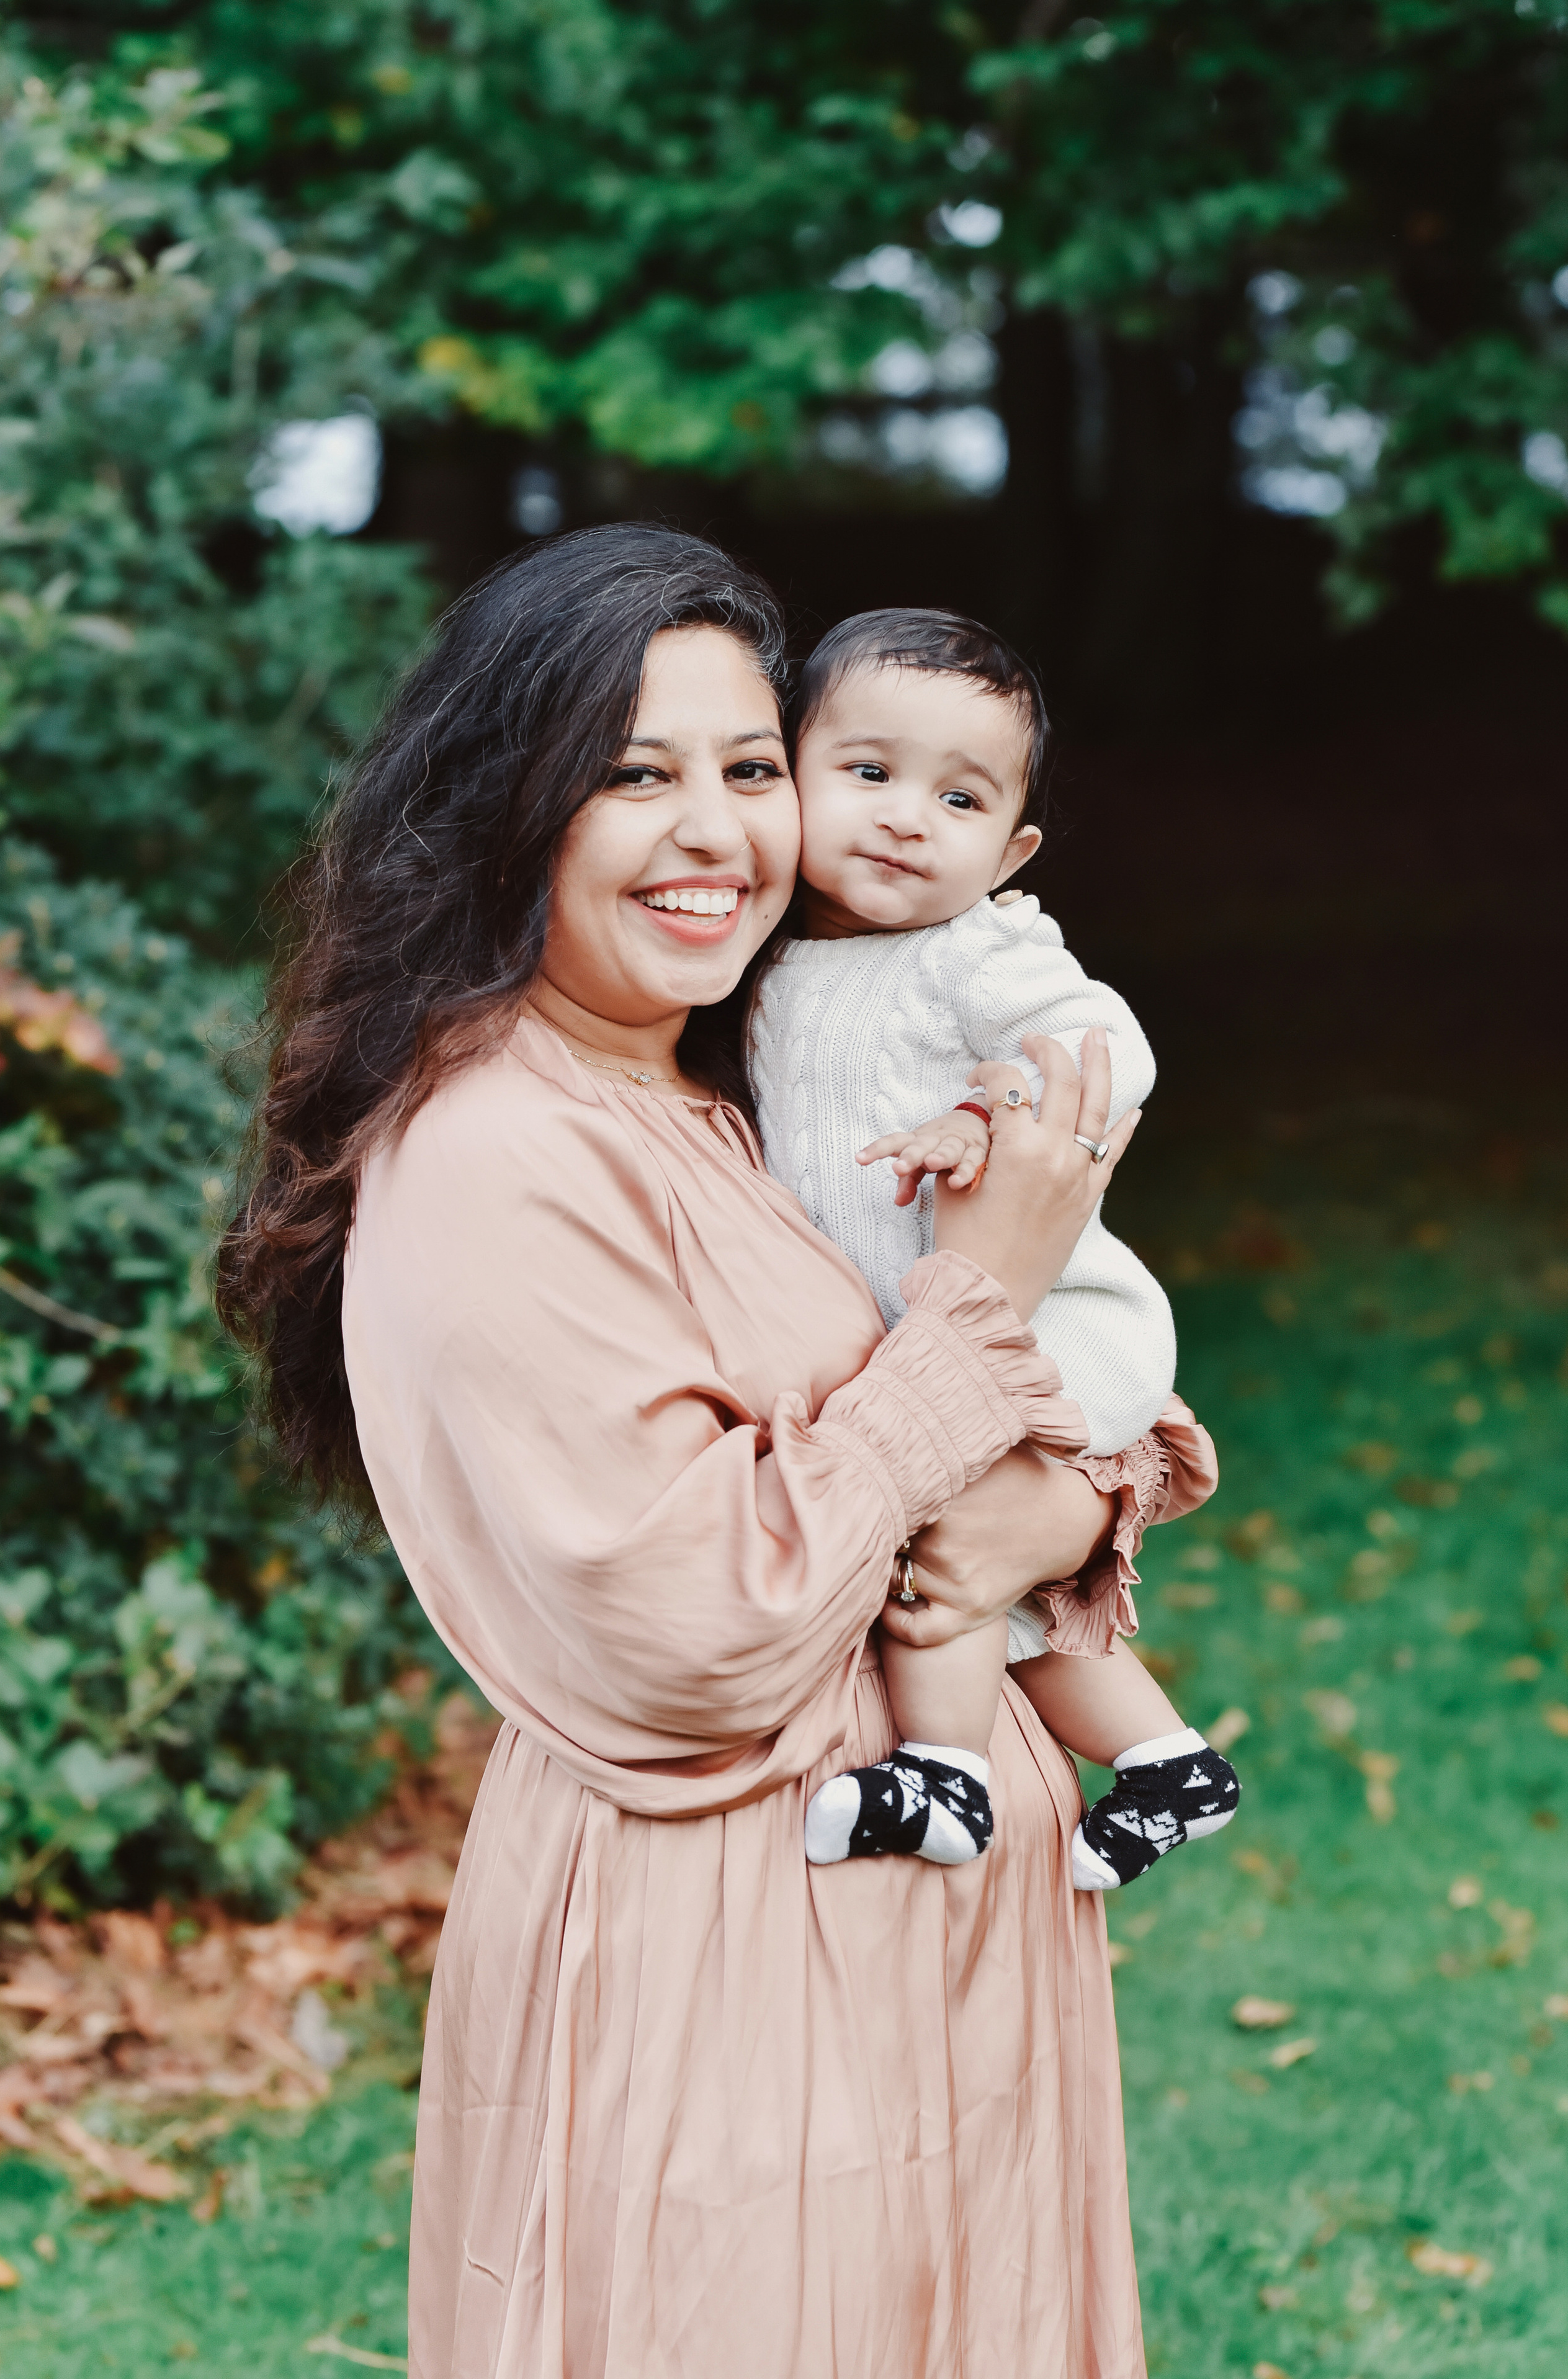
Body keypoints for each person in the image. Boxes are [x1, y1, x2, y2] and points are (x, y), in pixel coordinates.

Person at [218, 523, 1205, 2379]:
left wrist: (1057, 1506)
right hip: (732, 1958)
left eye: (751, 768)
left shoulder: (712, 1085)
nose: (716, 833)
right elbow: (694, 1630)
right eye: (632, 775)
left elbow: (993, 1460)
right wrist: (982, 1300)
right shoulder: (499, 1147)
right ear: (509, 809)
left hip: (924, 1936)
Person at [750, 609, 1237, 1889]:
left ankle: (942, 1775)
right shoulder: (758, 960)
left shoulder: (975, 951)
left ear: (1010, 849)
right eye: (868, 772)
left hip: (1052, 1315)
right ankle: (1168, 1762)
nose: (906, 818)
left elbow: (1111, 1051)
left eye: (958, 799)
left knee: (939, 1541)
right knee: (991, 1571)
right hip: (941, 1328)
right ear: (786, 775)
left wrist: (989, 1110)